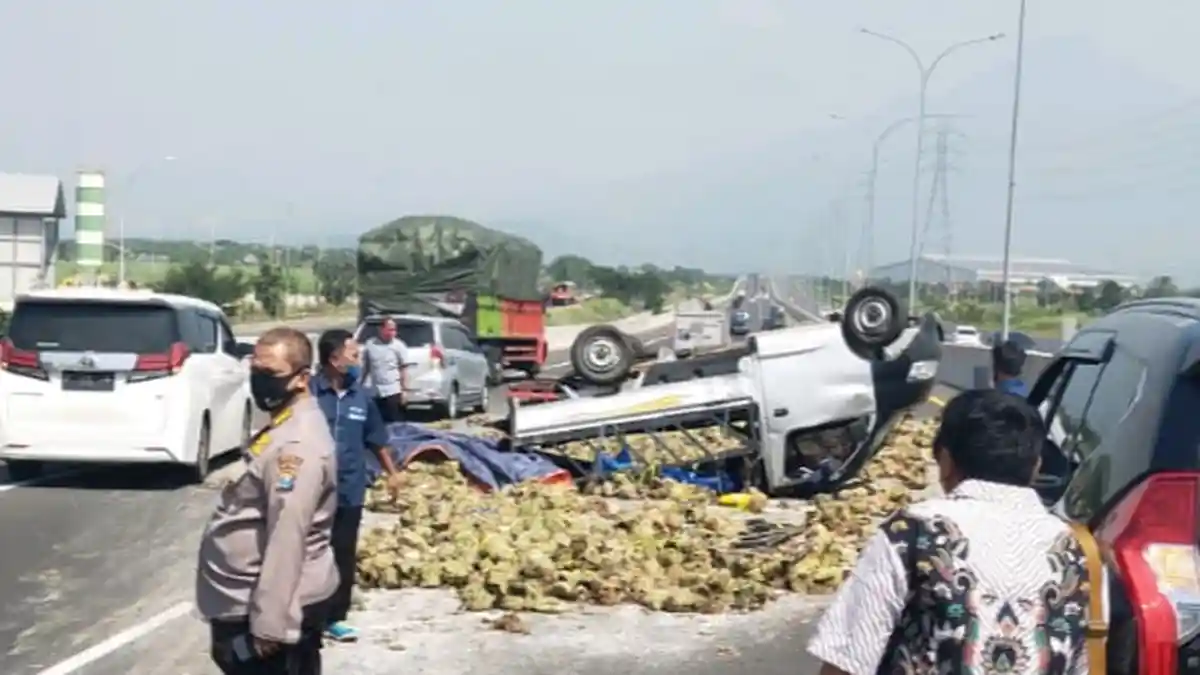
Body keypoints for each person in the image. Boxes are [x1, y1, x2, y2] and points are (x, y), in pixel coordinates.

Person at [807, 389, 1092, 675]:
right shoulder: (1076, 551)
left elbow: (847, 660)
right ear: (1036, 465)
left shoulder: (912, 534)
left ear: (945, 459)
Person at [196, 327, 337, 675]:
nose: (260, 380)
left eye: (270, 374)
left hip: (262, 611)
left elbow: (288, 536)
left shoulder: (296, 447)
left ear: (302, 378)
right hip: (245, 602)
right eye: (255, 370)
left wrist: (271, 623)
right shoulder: (282, 427)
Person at [312, 328, 402, 642]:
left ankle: (335, 617)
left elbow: (377, 439)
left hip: (349, 489)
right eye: (352, 354)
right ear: (334, 359)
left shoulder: (361, 398)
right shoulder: (308, 395)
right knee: (309, 553)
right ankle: (307, 616)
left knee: (343, 554)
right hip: (311, 493)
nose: (357, 358)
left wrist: (393, 474)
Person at [362, 317, 410, 423]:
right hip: (376, 392)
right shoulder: (370, 345)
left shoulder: (399, 346)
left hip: (393, 391)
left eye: (394, 330)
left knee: (395, 423)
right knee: (377, 422)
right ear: (381, 329)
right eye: (390, 329)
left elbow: (404, 369)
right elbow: (366, 367)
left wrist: (405, 390)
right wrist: (360, 386)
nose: (393, 333)